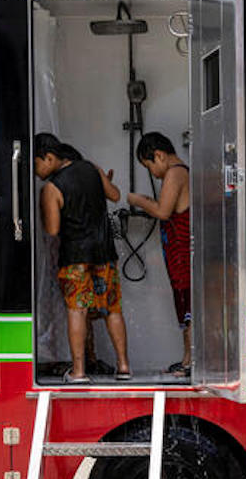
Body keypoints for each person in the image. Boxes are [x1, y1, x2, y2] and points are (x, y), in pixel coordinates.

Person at [34, 132, 131, 383]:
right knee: (112, 309)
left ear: (49, 157)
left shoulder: (51, 188)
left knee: (77, 310)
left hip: (75, 257)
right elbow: (115, 195)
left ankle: (79, 372)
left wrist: (45, 211)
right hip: (104, 253)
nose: (36, 171)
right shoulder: (91, 168)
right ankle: (123, 367)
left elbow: (53, 229)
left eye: (36, 164)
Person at [128, 132, 192, 377]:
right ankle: (188, 358)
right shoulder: (178, 172)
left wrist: (139, 200)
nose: (153, 173)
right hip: (178, 253)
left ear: (159, 155)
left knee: (189, 305)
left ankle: (190, 360)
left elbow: (164, 211)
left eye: (150, 166)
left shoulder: (175, 173)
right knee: (184, 303)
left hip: (184, 252)